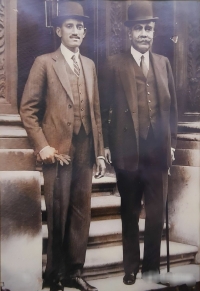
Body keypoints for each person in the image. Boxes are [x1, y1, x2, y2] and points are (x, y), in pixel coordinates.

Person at [20, 2, 106, 291]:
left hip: (85, 149)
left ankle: (74, 272)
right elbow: (27, 110)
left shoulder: (91, 65)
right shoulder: (44, 62)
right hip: (58, 152)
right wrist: (42, 146)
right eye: (70, 25)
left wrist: (99, 152)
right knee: (58, 211)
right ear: (58, 30)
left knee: (82, 212)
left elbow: (95, 112)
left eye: (80, 26)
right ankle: (53, 275)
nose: (76, 31)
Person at [100, 1, 177, 285]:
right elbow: (103, 108)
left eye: (149, 28)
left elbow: (172, 110)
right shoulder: (112, 64)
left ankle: (151, 268)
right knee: (130, 211)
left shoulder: (163, 63)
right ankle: (131, 266)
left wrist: (172, 142)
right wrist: (107, 145)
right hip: (128, 151)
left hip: (157, 152)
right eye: (139, 28)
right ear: (129, 32)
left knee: (156, 213)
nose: (145, 33)